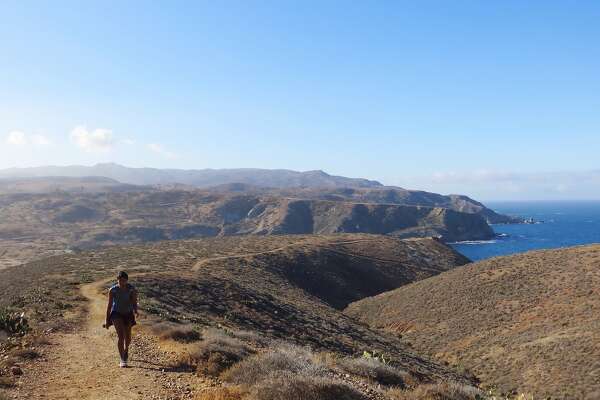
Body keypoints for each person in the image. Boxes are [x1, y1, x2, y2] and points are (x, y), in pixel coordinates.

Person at [104, 271, 139, 367]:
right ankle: (122, 359)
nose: (122, 283)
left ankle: (126, 349)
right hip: (116, 314)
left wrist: (135, 311)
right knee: (121, 336)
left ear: (127, 280)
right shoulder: (113, 290)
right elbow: (109, 306)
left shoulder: (131, 289)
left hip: (128, 313)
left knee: (128, 337)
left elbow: (134, 302)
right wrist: (107, 320)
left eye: (124, 280)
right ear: (117, 280)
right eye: (120, 280)